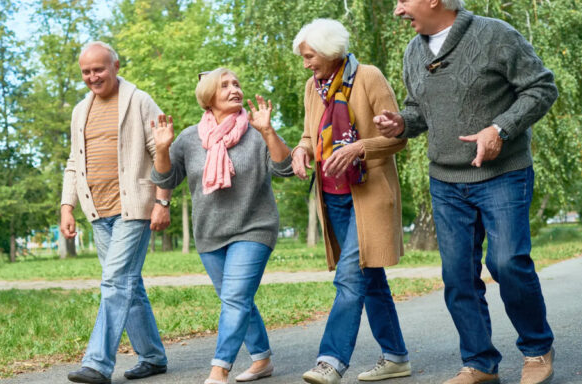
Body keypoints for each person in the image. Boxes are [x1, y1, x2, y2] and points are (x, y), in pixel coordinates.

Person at [375, 1, 558, 384]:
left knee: (507, 263)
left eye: (403, 1)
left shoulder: (496, 35)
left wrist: (500, 129)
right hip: (446, 181)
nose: (397, 10)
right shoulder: (414, 51)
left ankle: (538, 350)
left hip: (503, 174)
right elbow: (418, 111)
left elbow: (541, 88)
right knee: (458, 275)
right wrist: (400, 124)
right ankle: (479, 363)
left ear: (432, 1)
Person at [151, 68, 293, 384]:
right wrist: (162, 149)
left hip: (254, 227)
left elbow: (284, 169)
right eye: (225, 85)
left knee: (235, 298)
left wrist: (269, 132)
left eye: (237, 83)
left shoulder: (257, 131)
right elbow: (165, 178)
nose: (234, 89)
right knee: (237, 298)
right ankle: (262, 360)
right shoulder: (189, 138)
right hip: (210, 234)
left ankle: (219, 369)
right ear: (208, 96)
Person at [289, 19, 411, 384]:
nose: (306, 63)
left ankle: (331, 361)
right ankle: (396, 357)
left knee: (349, 279)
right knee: (370, 279)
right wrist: (301, 148)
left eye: (310, 56)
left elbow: (399, 137)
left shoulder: (369, 77)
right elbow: (311, 134)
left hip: (368, 196)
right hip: (334, 198)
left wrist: (360, 146)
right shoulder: (313, 87)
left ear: (329, 52)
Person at [60, 41, 173, 384]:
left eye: (99, 69)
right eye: (86, 71)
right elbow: (73, 162)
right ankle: (153, 357)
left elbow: (162, 152)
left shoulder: (138, 100)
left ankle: (97, 364)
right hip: (98, 212)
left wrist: (162, 201)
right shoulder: (80, 110)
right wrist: (67, 206)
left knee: (114, 282)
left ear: (116, 66)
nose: (93, 76)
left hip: (134, 208)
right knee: (129, 286)